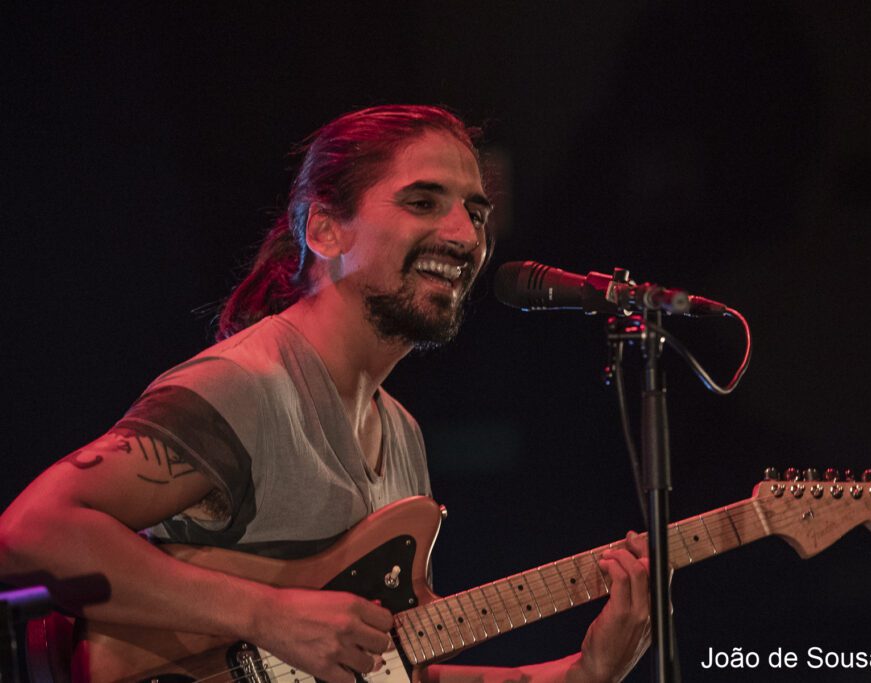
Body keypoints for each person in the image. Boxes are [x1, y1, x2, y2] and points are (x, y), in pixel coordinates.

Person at [0, 105, 651, 682]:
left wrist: (583, 672)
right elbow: (29, 533)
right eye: (423, 202)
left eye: (475, 211)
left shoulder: (401, 434)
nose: (464, 234)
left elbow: (379, 668)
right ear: (323, 230)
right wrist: (267, 614)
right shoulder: (249, 386)